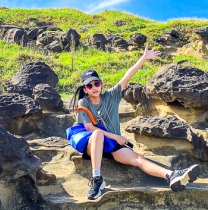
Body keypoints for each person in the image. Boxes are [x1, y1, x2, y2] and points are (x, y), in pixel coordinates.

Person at [68, 49, 200, 201]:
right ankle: (97, 179)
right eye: (89, 86)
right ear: (85, 89)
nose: (94, 87)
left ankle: (172, 175)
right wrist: (117, 137)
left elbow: (127, 77)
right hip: (94, 144)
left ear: (101, 84)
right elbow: (90, 128)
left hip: (113, 147)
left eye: (96, 83)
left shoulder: (111, 96)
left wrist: (144, 58)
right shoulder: (83, 102)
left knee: (138, 158)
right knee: (97, 134)